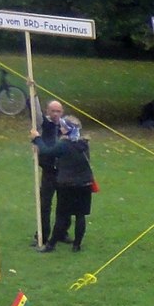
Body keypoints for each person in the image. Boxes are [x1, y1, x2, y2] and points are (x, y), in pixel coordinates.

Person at [30, 116, 94, 252]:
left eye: (63, 126)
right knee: (80, 215)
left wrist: (36, 138)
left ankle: (51, 245)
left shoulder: (64, 145)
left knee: (62, 215)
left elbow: (48, 152)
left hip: (68, 184)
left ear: (68, 129)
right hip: (85, 183)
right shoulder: (83, 143)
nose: (61, 128)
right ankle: (76, 245)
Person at [31, 97, 71, 246]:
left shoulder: (67, 126)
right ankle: (42, 235)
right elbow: (35, 113)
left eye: (58, 111)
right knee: (45, 204)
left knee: (65, 204)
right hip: (48, 171)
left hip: (64, 172)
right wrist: (33, 95)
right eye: (53, 111)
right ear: (48, 111)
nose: (55, 114)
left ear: (62, 112)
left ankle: (61, 233)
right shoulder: (44, 124)